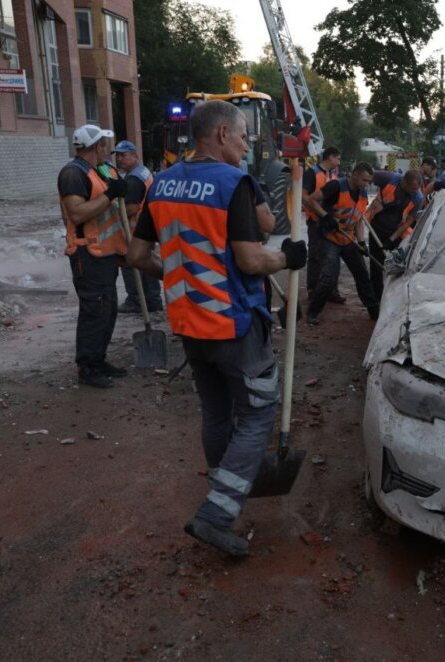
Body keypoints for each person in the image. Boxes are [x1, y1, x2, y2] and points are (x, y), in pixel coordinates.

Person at [127, 100, 307, 558]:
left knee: (216, 413)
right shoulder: (233, 183)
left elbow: (137, 256)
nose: (247, 146)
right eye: (244, 136)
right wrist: (288, 258)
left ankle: (225, 482)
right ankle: (216, 513)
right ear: (222, 134)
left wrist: (180, 279)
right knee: (256, 416)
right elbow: (250, 259)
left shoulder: (162, 183)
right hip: (234, 323)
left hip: (188, 323)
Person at [58, 124, 128, 389]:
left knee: (107, 310)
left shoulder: (94, 171)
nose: (108, 151)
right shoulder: (72, 174)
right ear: (97, 147)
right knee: (94, 312)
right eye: (105, 146)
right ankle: (87, 367)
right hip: (87, 255)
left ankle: (99, 359)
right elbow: (77, 213)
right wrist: (110, 194)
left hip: (105, 254)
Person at [303, 162, 379, 326]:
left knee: (362, 275)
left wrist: (361, 242)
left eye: (369, 181)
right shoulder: (335, 187)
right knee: (329, 277)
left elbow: (358, 220)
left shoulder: (362, 194)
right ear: (355, 175)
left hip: (348, 239)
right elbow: (311, 200)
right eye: (365, 180)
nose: (367, 184)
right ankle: (313, 311)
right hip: (330, 238)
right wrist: (325, 216)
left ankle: (374, 311)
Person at [111, 140, 162, 314]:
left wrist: (113, 206)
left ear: (134, 156)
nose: (119, 159)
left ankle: (135, 301)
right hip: (146, 228)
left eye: (123, 155)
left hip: (134, 230)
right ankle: (153, 300)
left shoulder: (133, 179)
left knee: (129, 263)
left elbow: (131, 208)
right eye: (117, 156)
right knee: (147, 262)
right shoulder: (144, 172)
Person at [366, 169, 423, 300]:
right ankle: (377, 300)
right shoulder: (387, 178)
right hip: (376, 228)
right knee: (376, 266)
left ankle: (395, 298)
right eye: (412, 188)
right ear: (404, 182)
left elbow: (408, 222)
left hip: (397, 234)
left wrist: (391, 240)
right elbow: (364, 177)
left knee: (398, 268)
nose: (414, 191)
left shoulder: (418, 197)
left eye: (417, 189)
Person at [305, 147, 344, 303]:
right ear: (330, 157)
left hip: (329, 221)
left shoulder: (333, 175)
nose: (339, 162)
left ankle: (331, 290)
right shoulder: (312, 173)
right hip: (316, 221)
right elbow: (304, 196)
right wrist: (320, 213)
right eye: (338, 158)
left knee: (332, 256)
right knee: (315, 255)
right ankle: (313, 290)